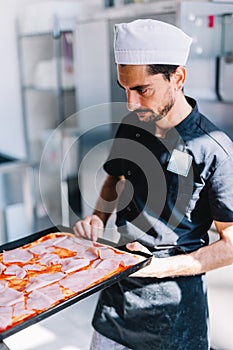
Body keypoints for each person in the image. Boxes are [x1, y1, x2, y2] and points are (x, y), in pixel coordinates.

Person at [73, 19, 233, 350]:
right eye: (125, 89)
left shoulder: (213, 149)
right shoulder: (133, 125)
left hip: (175, 312)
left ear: (178, 78)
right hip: (116, 301)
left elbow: (230, 244)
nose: (131, 104)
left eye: (142, 90)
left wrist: (157, 269)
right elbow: (115, 178)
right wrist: (97, 218)